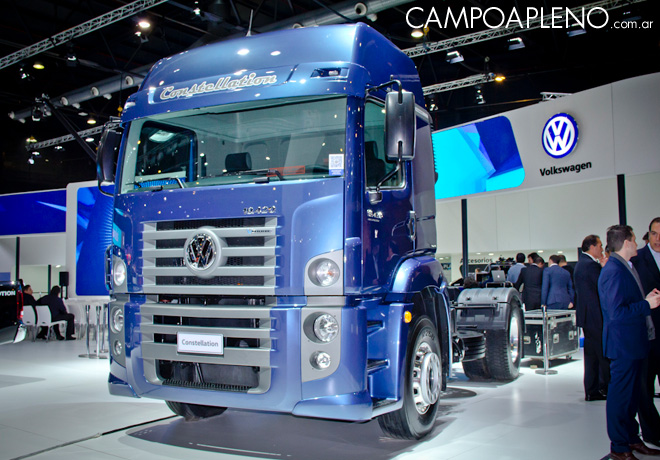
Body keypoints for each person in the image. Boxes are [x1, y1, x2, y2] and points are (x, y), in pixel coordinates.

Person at [598, 225, 660, 460]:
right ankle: (619, 447)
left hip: (634, 344)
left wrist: (646, 300)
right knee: (620, 398)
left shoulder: (625, 266)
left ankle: (632, 439)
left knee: (633, 396)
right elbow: (616, 313)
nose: (637, 243)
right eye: (634, 240)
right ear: (626, 243)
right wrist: (646, 305)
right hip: (623, 346)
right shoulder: (614, 270)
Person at [631, 217, 660, 447]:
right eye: (654, 233)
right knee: (645, 386)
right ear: (647, 234)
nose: (658, 239)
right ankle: (651, 433)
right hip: (646, 333)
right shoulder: (637, 259)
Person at [575, 235, 610, 401]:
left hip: (587, 317)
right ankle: (607, 388)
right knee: (602, 355)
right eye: (600, 245)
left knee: (591, 357)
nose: (602, 249)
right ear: (592, 246)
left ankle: (592, 390)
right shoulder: (591, 266)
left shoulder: (581, 264)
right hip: (596, 317)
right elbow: (603, 287)